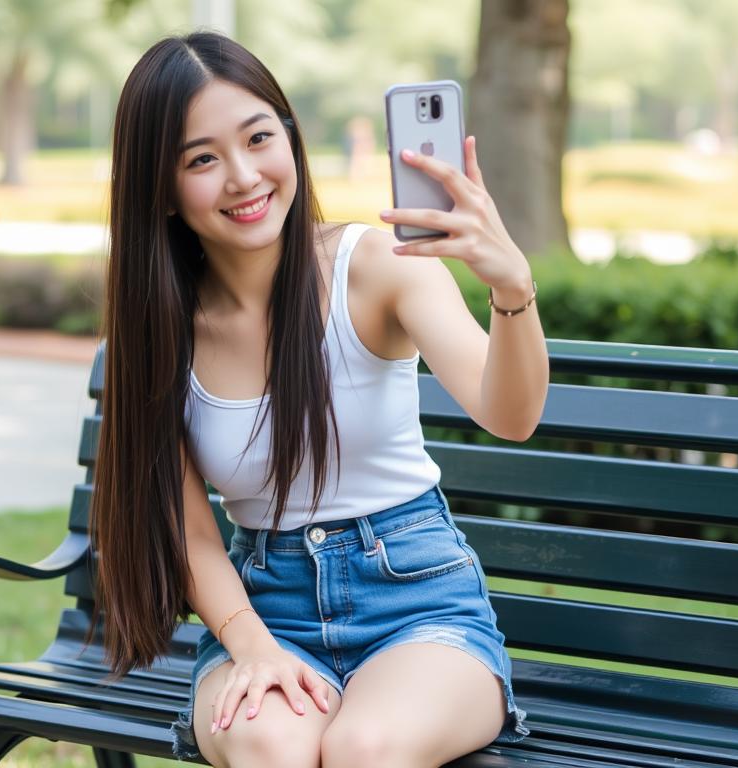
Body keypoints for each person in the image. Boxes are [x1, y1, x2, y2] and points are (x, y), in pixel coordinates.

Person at [89, 31, 548, 768]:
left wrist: (511, 289)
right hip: (264, 609)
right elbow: (188, 526)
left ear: (291, 138)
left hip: (419, 604)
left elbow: (511, 414)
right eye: (202, 159)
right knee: (275, 747)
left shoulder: (375, 269)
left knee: (366, 750)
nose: (243, 176)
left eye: (258, 138)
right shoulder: (163, 329)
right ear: (162, 190)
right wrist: (253, 648)